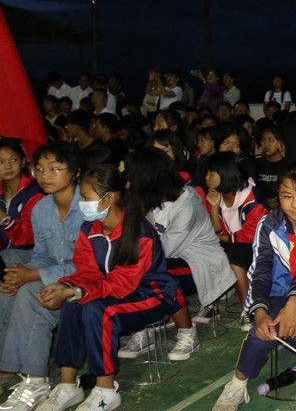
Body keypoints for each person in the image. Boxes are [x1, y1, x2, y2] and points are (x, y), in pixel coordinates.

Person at [35, 163, 180, 411]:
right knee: (73, 305)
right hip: (111, 292)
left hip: (152, 295)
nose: (81, 203)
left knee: (99, 310)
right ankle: (69, 385)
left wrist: (78, 291)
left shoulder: (139, 232)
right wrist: (65, 287)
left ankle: (105, 390)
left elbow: (122, 283)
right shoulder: (90, 229)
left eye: (86, 198)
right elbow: (87, 271)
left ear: (108, 198)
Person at [211, 165, 296, 411]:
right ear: (278, 197)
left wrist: (293, 305)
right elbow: (260, 271)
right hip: (277, 293)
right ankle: (237, 385)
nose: (295, 204)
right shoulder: (267, 224)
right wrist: (259, 311)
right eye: (287, 196)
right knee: (263, 329)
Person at [120, 149, 234, 361]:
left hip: (200, 264)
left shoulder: (186, 204)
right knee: (134, 270)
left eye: (131, 178)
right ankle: (143, 329)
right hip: (169, 259)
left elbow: (164, 250)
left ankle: (187, 332)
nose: (128, 184)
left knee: (153, 273)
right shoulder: (147, 199)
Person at [0, 143, 83, 411]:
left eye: (55, 168)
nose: (45, 175)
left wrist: (35, 275)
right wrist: (23, 274)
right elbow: (43, 255)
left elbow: (90, 263)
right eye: (40, 169)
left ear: (75, 172)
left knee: (30, 292)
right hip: (58, 271)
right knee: (10, 281)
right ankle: (7, 366)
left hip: (87, 278)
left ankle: (35, 381)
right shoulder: (42, 209)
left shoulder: (89, 206)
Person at [204, 152, 269, 330]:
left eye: (211, 173)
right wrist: (214, 208)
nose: (206, 177)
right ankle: (210, 302)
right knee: (203, 250)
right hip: (235, 244)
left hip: (260, 247)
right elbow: (219, 231)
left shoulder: (253, 199)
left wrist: (218, 238)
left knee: (234, 254)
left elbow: (251, 235)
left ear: (226, 173)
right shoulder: (219, 196)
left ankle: (248, 308)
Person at [0, 138, 46, 268]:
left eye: (13, 160)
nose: (8, 166)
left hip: (31, 255)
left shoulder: (34, 193)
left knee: (7, 256)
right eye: (1, 162)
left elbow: (27, 237)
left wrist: (4, 219)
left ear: (23, 161)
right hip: (5, 254)